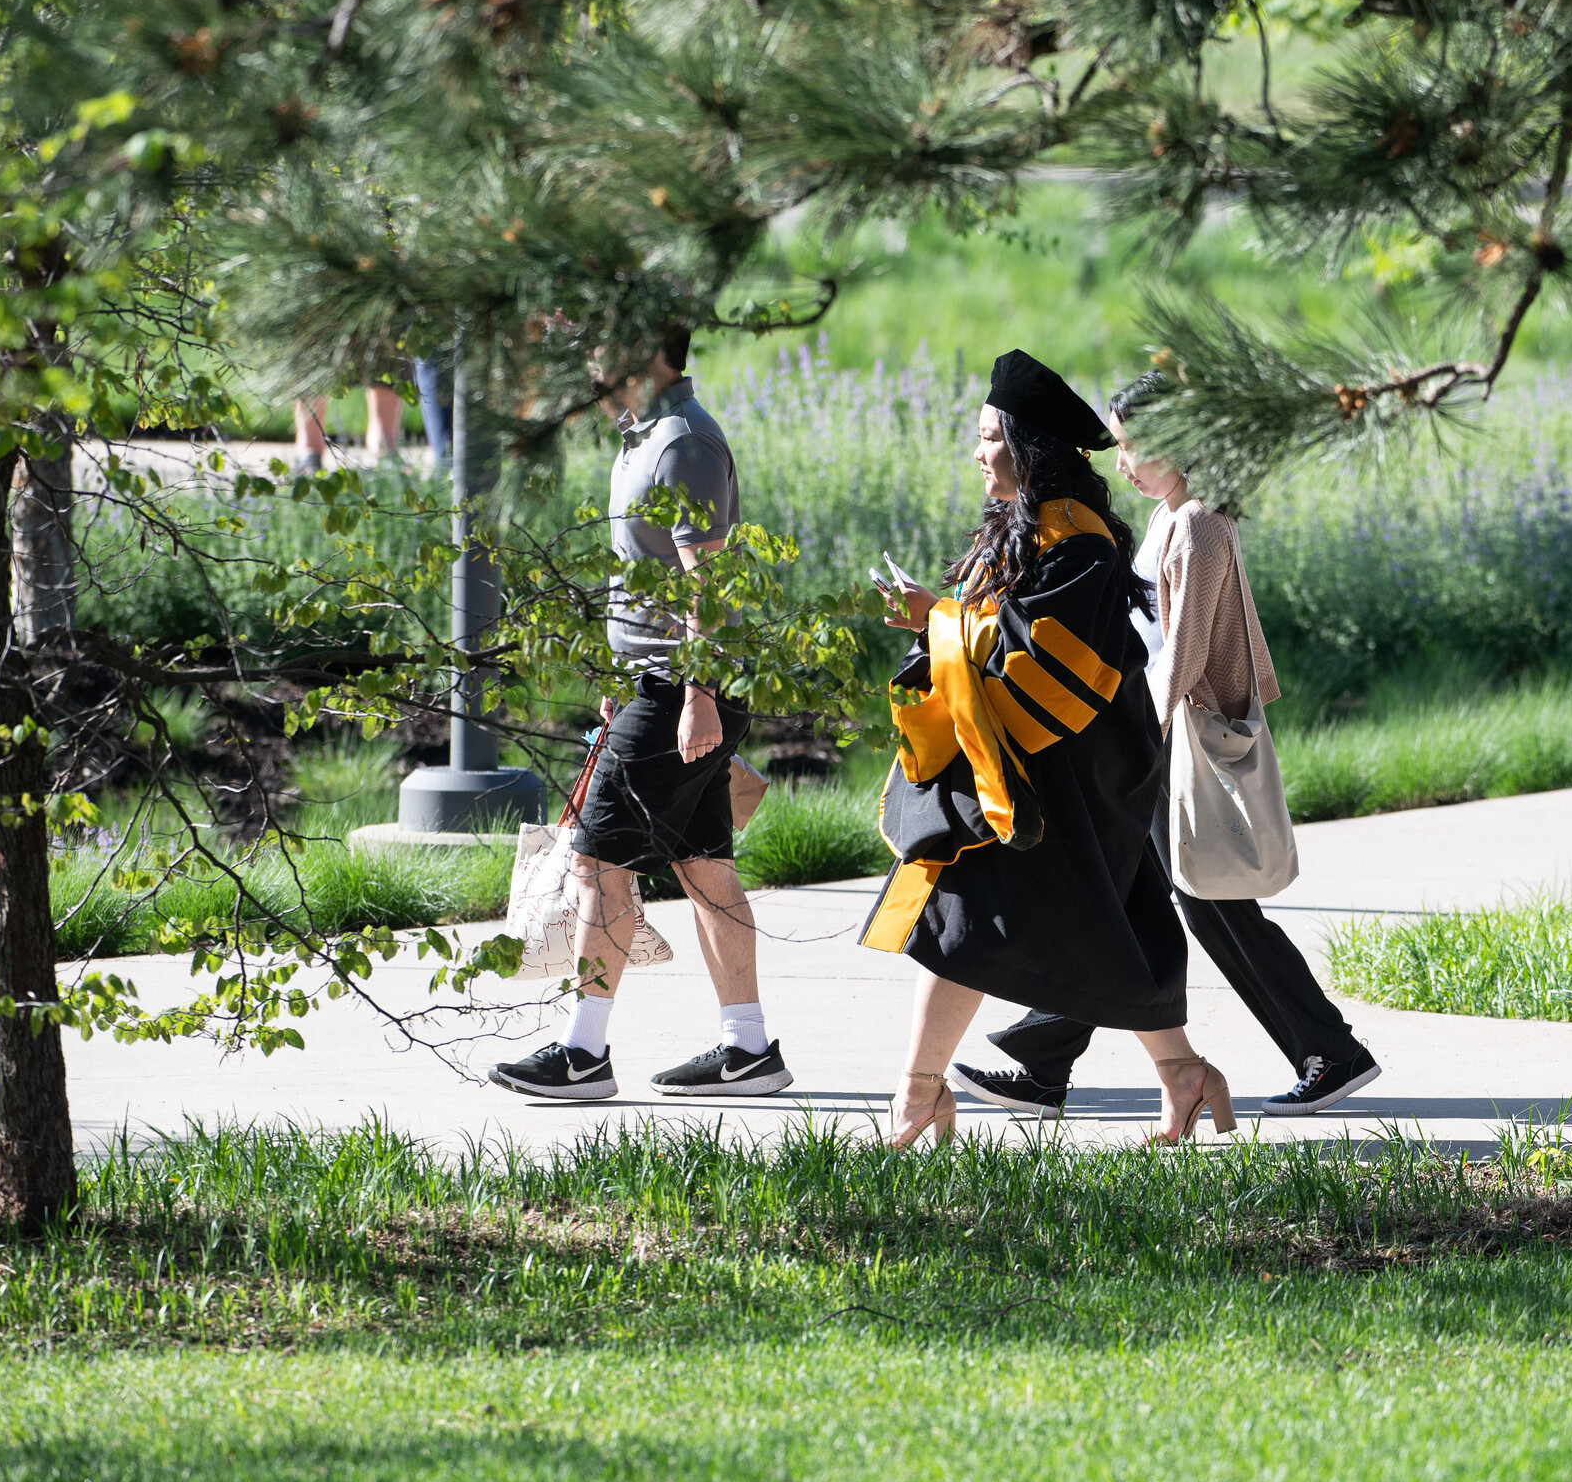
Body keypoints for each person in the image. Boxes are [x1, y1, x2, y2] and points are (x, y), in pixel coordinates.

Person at [948, 373, 1381, 1119]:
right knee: (1133, 896)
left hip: (1174, 738)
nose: (1120, 463)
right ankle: (1047, 1060)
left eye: (1131, 446)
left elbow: (1183, 650)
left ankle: (1329, 1051)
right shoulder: (1167, 517)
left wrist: (1134, 737)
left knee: (1190, 902)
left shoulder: (1201, 524)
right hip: (1157, 735)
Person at [862, 351, 1230, 1147]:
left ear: (1030, 447)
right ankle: (1183, 1073)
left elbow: (1045, 668)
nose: (978, 451)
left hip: (1070, 773)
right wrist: (938, 620)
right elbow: (995, 639)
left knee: (967, 913)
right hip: (1040, 768)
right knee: (1101, 927)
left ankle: (918, 1093)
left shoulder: (1079, 545)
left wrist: (936, 620)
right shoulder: (1024, 529)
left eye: (991, 436)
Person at [486, 327, 793, 1103]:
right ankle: (748, 1048)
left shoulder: (684, 443)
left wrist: (698, 695)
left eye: (605, 337)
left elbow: (705, 582)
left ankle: (583, 1054)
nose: (591, 357)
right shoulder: (642, 437)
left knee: (596, 863)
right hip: (656, 684)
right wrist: (619, 676)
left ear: (649, 347)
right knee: (705, 865)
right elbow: (640, 575)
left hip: (681, 690)